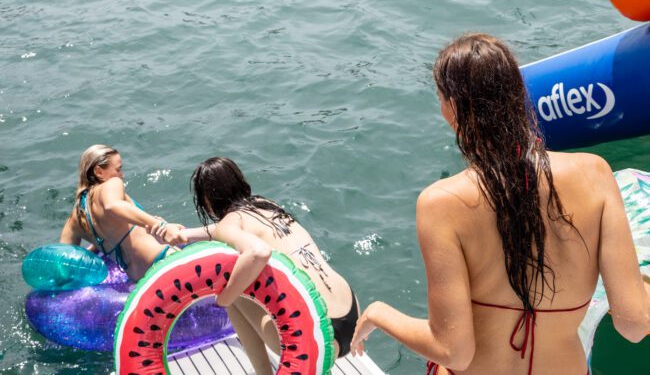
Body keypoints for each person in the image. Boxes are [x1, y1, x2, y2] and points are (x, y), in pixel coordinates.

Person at [350, 33, 650, 374]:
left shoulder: (440, 203)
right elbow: (634, 323)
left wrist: (379, 313)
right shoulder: (596, 175)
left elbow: (453, 351)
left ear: (451, 109)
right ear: (517, 94)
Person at [152, 156, 359, 373]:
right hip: (351, 315)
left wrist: (224, 299)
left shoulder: (229, 223)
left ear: (207, 200)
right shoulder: (267, 206)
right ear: (240, 182)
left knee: (231, 287)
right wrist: (185, 234)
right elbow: (222, 230)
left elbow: (259, 252)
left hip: (316, 334)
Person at [59, 145, 186, 282]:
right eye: (118, 169)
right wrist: (159, 225)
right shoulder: (111, 183)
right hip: (160, 257)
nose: (121, 175)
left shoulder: (75, 219)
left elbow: (65, 265)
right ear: (99, 172)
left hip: (138, 277)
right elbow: (112, 206)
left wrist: (97, 247)